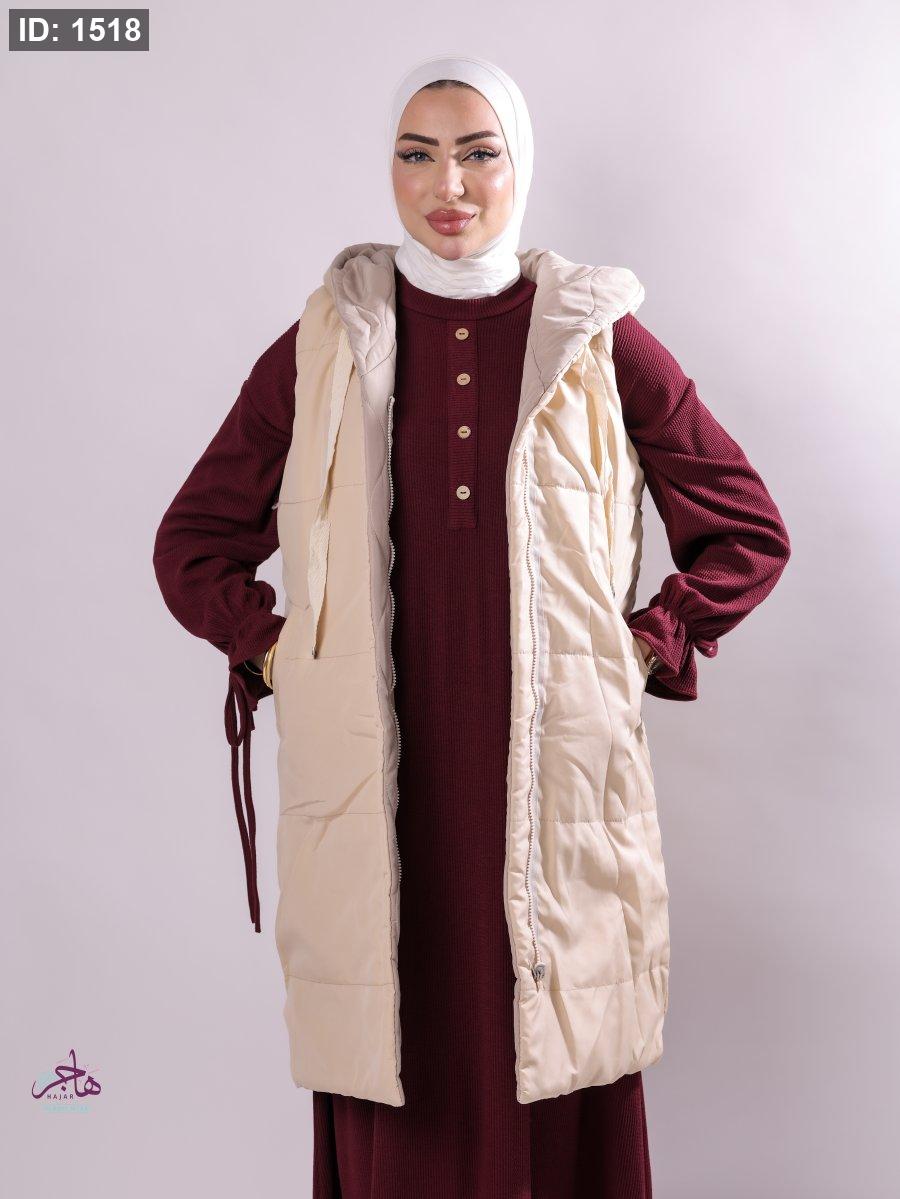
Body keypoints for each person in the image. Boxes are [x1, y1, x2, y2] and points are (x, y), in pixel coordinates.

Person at [153, 53, 791, 1199]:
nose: (447, 184)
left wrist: (644, 643)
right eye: (417, 154)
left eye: (477, 153)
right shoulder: (327, 337)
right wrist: (280, 649)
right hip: (379, 788)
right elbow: (193, 539)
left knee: (555, 1047)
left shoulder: (592, 333)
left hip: (554, 781)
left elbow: (745, 526)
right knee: (396, 1047)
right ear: (390, 169)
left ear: (518, 165)